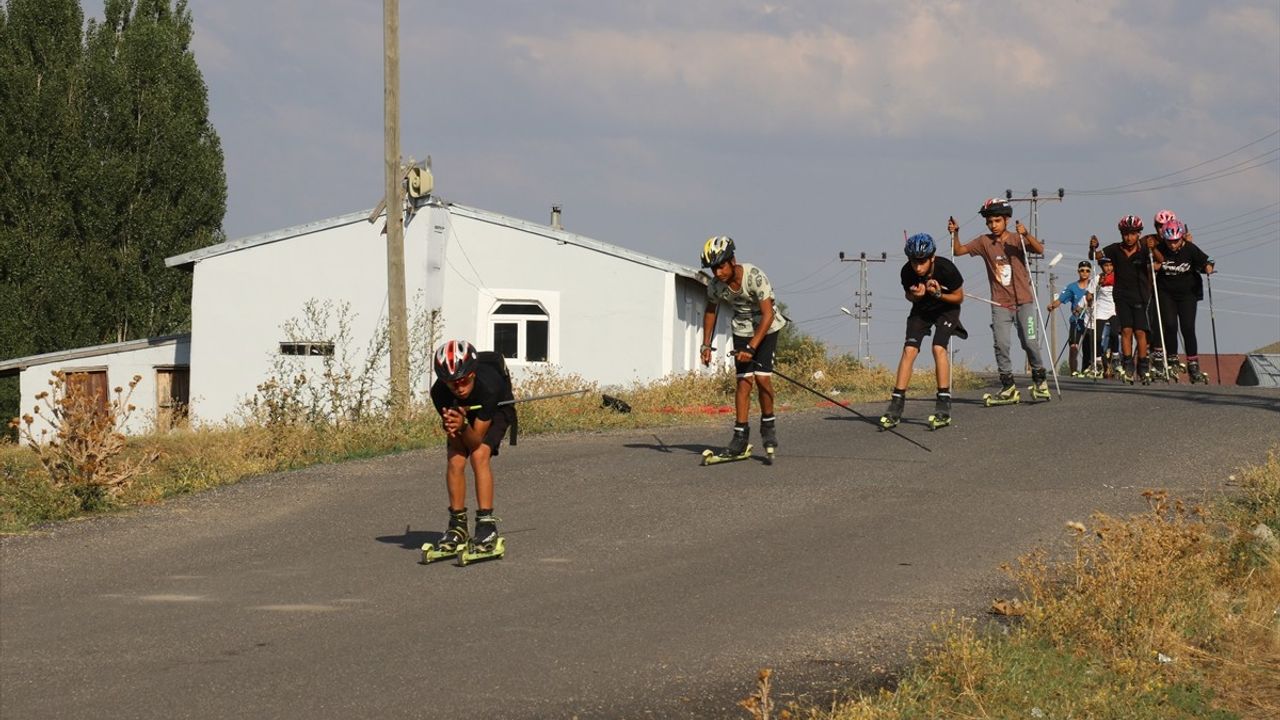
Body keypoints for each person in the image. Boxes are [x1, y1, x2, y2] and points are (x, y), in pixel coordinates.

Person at [949, 198, 1050, 403]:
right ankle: (1008, 386)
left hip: (1024, 301)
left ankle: (1040, 381)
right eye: (989, 222)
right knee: (1001, 344)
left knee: (1030, 342)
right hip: (1000, 303)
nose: (993, 225)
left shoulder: (1016, 239)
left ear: (1006, 220)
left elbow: (1040, 250)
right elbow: (958, 251)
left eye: (996, 221)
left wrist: (1026, 234)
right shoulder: (984, 242)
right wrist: (955, 233)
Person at [426, 339, 513, 560]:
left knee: (479, 455)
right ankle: (458, 525)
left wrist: (464, 425)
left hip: (495, 409)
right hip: (464, 416)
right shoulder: (439, 393)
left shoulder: (490, 385)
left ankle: (486, 525)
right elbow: (459, 445)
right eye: (452, 383)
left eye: (464, 381)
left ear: (473, 374)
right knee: (455, 458)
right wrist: (454, 426)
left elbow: (475, 442)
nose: (460, 388)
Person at [700, 235, 786, 458]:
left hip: (766, 328)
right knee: (744, 381)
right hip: (742, 328)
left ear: (732, 261)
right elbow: (711, 311)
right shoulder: (716, 285)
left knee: (762, 377)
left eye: (720, 267)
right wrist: (705, 345)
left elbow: (768, 314)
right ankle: (740, 436)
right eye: (713, 269)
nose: (718, 273)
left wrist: (751, 347)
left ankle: (768, 426)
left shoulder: (754, 276)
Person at [879, 233, 965, 429]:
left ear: (932, 258)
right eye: (913, 261)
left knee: (938, 348)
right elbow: (910, 297)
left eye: (922, 262)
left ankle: (943, 403)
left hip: (946, 309)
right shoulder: (907, 272)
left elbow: (959, 297)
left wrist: (938, 293)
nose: (918, 267)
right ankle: (896, 404)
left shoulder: (946, 269)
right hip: (922, 310)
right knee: (909, 350)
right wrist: (916, 296)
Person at [1090, 215, 1163, 383]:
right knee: (1126, 330)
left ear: (1138, 234)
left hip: (1140, 295)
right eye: (1125, 234)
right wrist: (1093, 247)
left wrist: (1153, 249)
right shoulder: (1115, 249)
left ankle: (1143, 365)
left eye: (1132, 234)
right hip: (1121, 295)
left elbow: (1161, 261)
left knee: (1140, 331)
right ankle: (1128, 363)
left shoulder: (1144, 249)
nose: (1129, 237)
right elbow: (1095, 256)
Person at [1153, 219, 1215, 383]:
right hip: (1166, 293)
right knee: (1170, 325)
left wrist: (1208, 267)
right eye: (1169, 242)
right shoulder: (1159, 250)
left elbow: (1208, 260)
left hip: (1188, 294)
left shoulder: (1190, 249)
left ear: (1181, 238)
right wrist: (1153, 266)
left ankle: (1193, 364)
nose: (1173, 245)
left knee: (1187, 327)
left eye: (1176, 241)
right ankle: (1172, 359)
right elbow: (1146, 262)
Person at [1047, 261, 1093, 375]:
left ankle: (1086, 370)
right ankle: (1074, 372)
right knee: (1073, 346)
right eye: (1082, 270)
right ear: (1078, 271)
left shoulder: (1093, 285)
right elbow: (1060, 299)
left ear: (1090, 272)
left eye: (1087, 270)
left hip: (1090, 322)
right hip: (1076, 320)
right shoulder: (1072, 287)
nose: (1084, 273)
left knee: (1088, 348)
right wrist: (1052, 305)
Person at [1085, 256, 1119, 378]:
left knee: (1115, 333)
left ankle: (1115, 356)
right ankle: (1098, 360)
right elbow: (1089, 294)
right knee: (1097, 337)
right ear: (1102, 267)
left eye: (1110, 265)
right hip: (1100, 309)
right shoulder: (1097, 278)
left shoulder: (1118, 277)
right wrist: (1090, 299)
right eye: (1106, 266)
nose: (1108, 268)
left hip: (1114, 309)